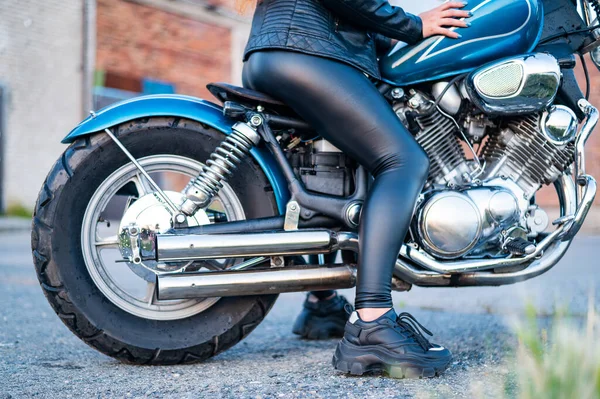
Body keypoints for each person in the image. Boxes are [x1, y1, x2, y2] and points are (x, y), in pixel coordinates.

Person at [240, 0, 470, 378]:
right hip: (306, 49)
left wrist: (391, 39)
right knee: (402, 161)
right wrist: (414, 25)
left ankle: (321, 302)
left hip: (285, 49)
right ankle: (372, 322)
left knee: (340, 168)